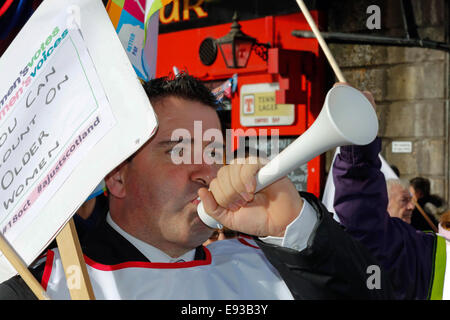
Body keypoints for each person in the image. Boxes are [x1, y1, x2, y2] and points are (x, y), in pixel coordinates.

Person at [0, 74, 394, 300]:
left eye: (214, 150)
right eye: (178, 151)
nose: (207, 171)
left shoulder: (269, 260)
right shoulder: (40, 286)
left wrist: (297, 229)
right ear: (117, 176)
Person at [331, 88, 444, 300]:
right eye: (404, 200)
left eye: (411, 200)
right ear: (381, 204)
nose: (411, 206)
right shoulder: (410, 253)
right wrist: (359, 138)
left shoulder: (421, 244)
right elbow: (362, 217)